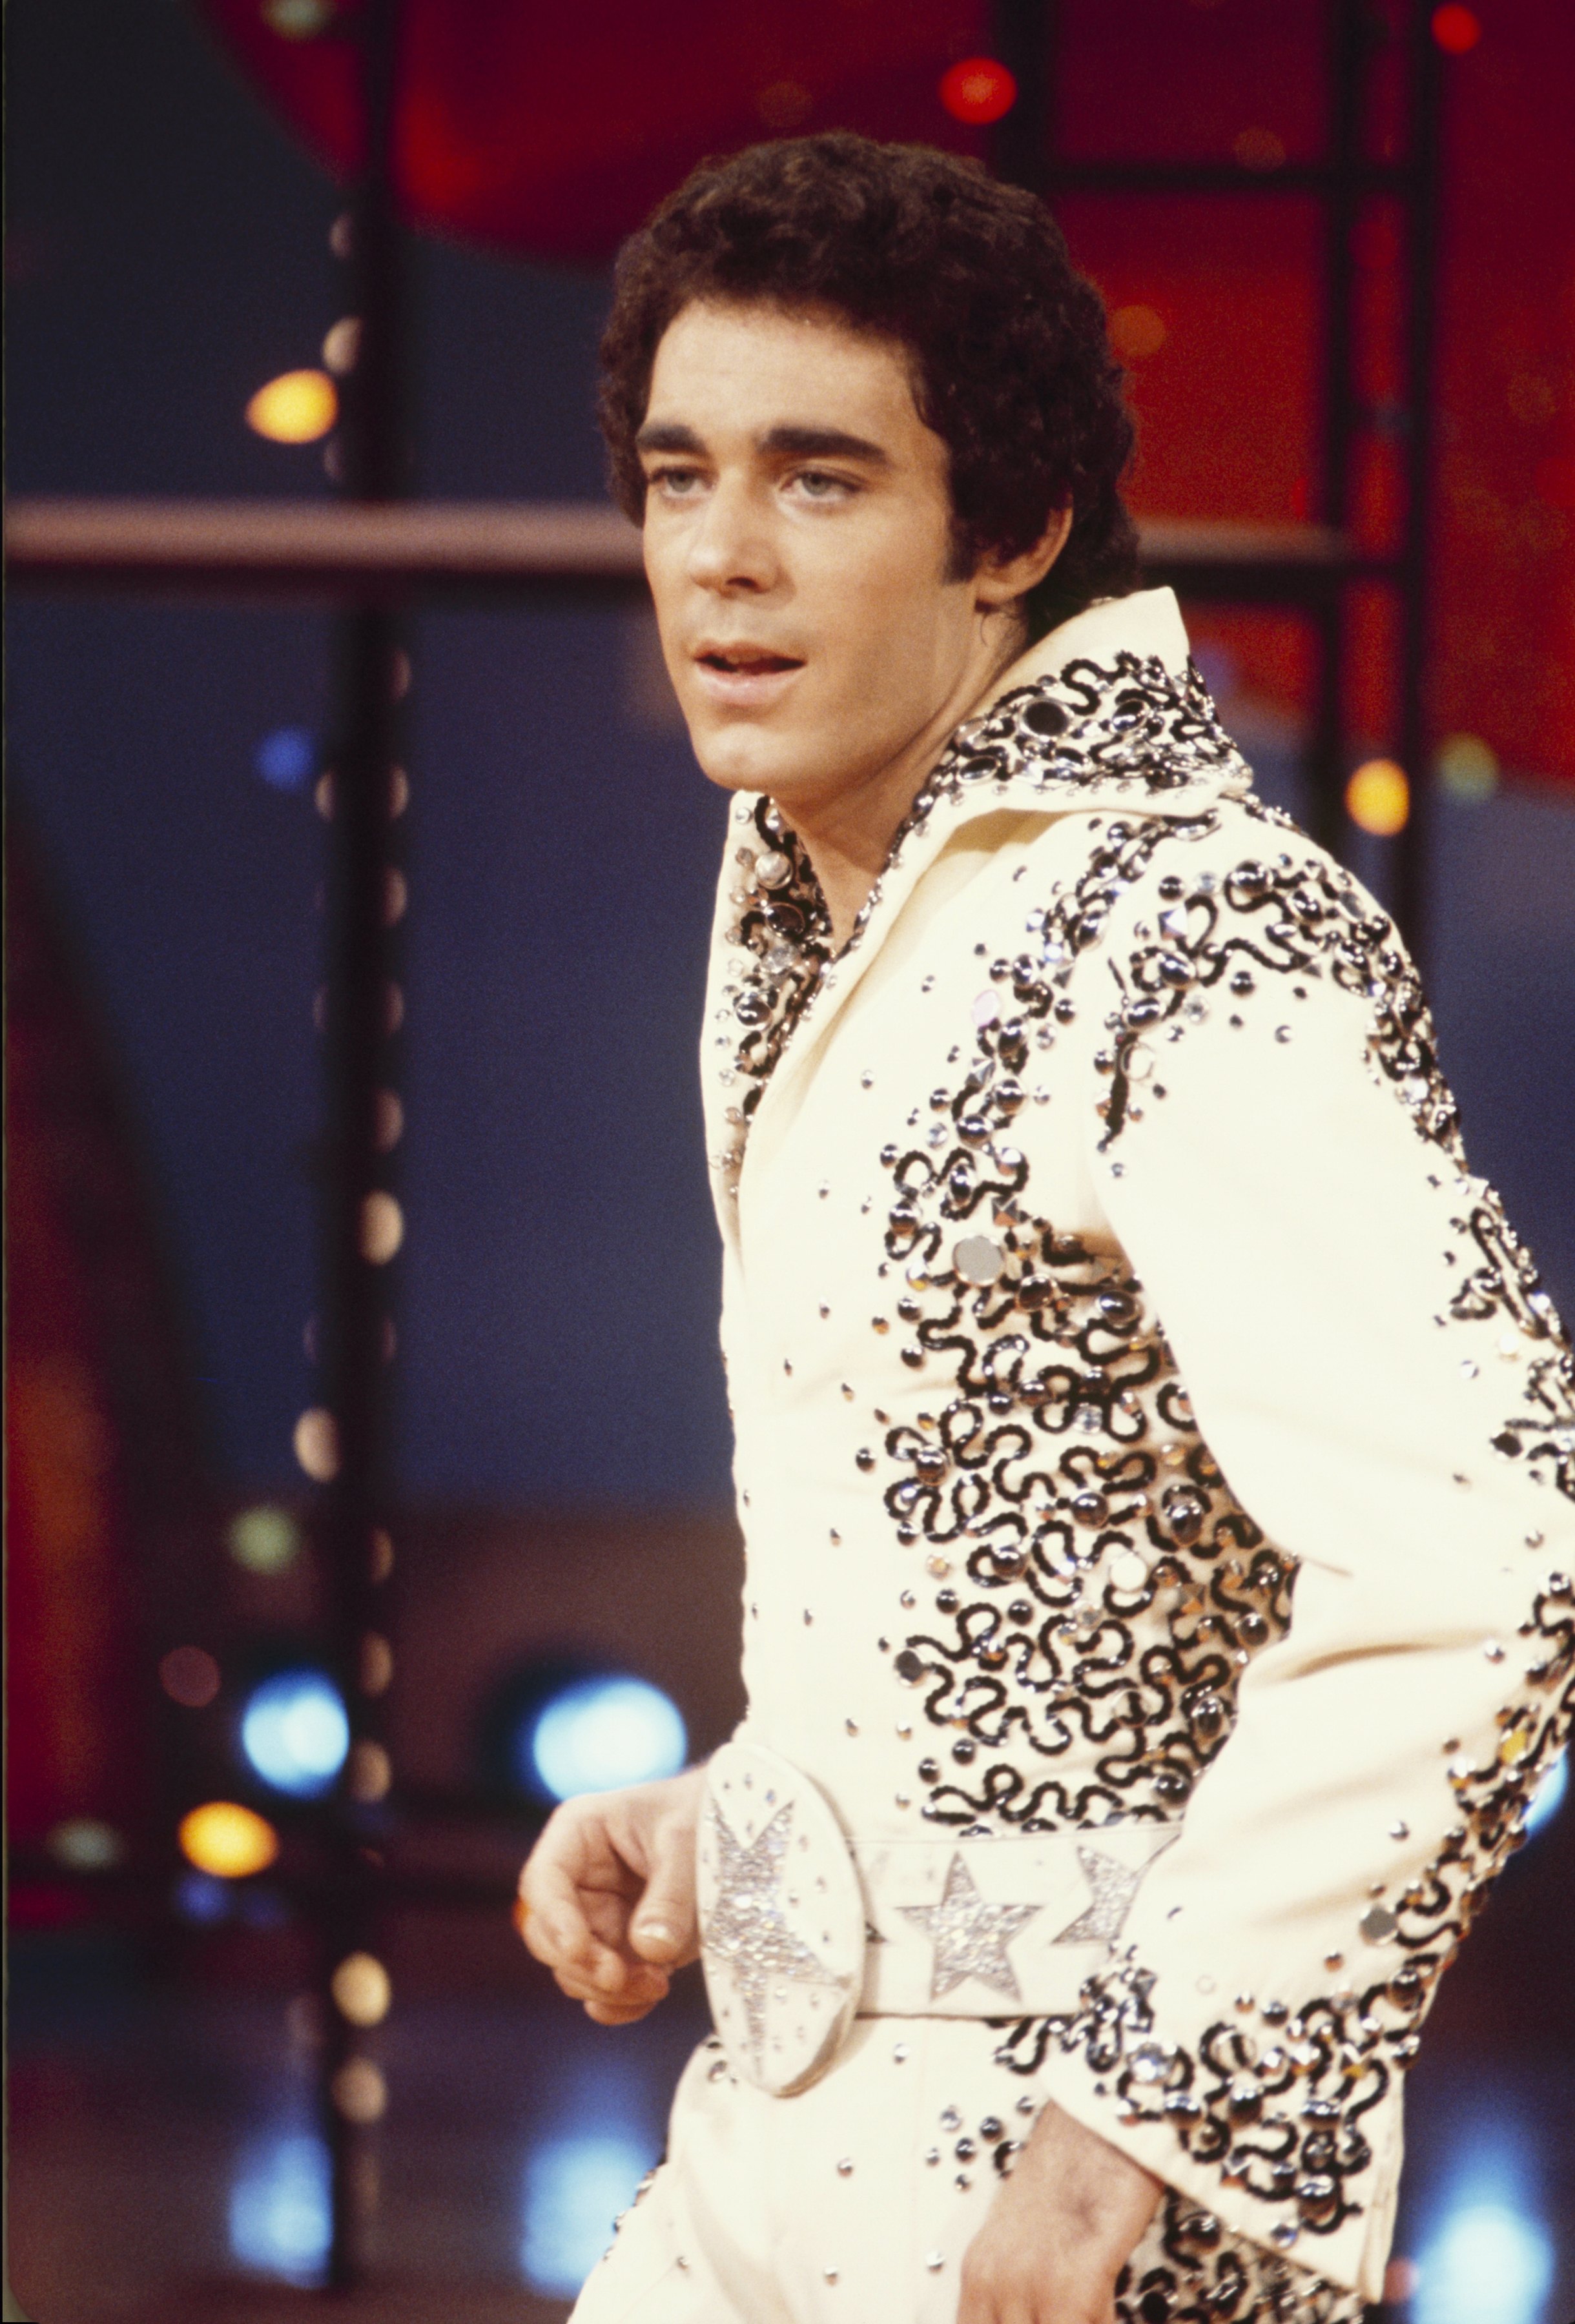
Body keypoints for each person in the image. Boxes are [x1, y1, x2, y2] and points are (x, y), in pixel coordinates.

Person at [517, 133, 1574, 2324]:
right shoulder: (829, 903)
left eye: (819, 480)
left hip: (1063, 2198)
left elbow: (1498, 1555)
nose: (719, 558)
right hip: (773, 2132)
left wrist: (1145, 2124)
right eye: (675, 474)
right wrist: (750, 1819)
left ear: (1000, 532)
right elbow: (1057, 1560)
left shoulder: (1191, 925)